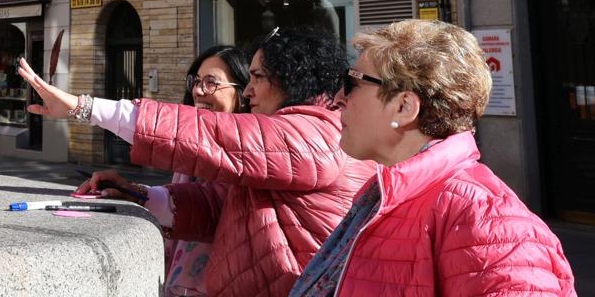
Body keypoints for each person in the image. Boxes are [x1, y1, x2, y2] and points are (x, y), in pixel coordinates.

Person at [20, 25, 373, 297]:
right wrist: (140, 196)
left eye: (258, 78)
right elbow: (222, 208)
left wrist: (84, 107)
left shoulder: (315, 134)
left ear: (293, 79)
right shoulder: (303, 137)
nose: (249, 91)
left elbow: (210, 135)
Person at [290, 19, 575, 296]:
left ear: (404, 107)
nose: (338, 97)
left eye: (352, 83)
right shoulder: (382, 198)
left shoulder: (486, 218)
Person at [163, 45, 249, 297]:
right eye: (197, 81)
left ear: (242, 92)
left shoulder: (248, 155)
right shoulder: (191, 148)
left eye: (211, 82)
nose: (199, 91)